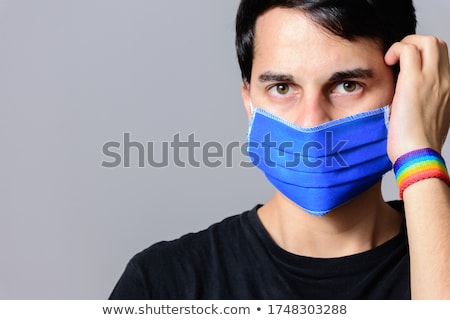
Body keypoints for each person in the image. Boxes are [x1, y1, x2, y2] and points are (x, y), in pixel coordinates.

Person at [109, 0, 450, 299]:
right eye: (282, 87)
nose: (311, 121)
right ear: (250, 103)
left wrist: (419, 156)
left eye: (347, 85)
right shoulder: (162, 284)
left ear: (405, 91)